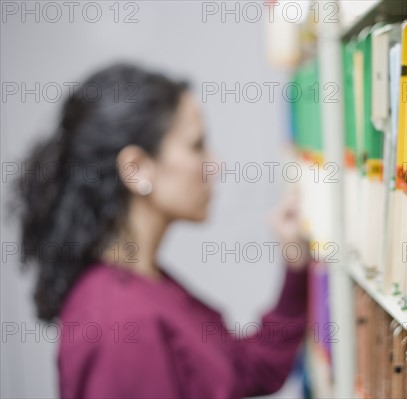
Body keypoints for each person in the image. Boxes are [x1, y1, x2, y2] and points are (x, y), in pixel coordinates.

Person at [13, 63, 311, 398]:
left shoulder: (143, 285)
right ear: (137, 168)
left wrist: (296, 266)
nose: (216, 164)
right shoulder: (121, 324)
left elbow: (244, 369)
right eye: (196, 146)